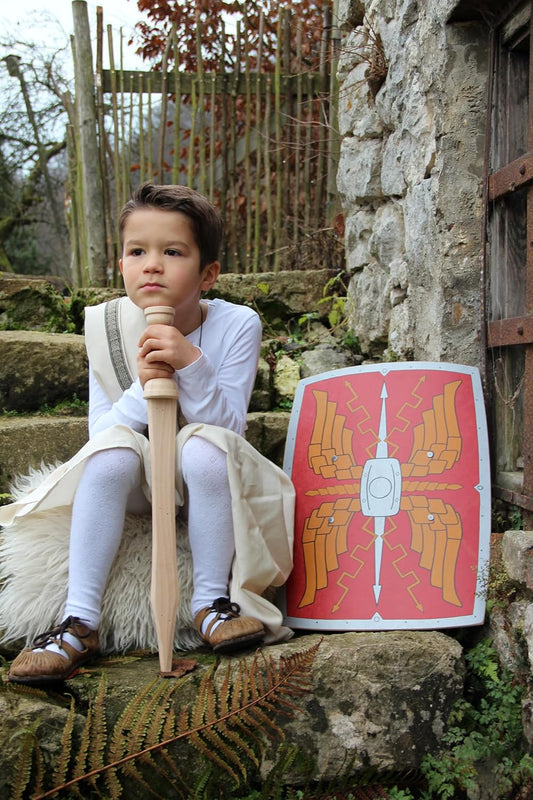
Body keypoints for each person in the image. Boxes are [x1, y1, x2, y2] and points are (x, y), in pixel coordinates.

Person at [2, 183, 295, 684]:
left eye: (172, 252)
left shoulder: (237, 324)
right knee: (111, 456)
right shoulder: (107, 328)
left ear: (208, 274)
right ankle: (79, 621)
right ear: (121, 266)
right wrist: (146, 383)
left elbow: (229, 428)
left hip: (206, 476)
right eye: (137, 251)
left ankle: (209, 603)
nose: (151, 264)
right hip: (138, 476)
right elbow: (103, 434)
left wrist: (190, 362)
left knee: (204, 448)